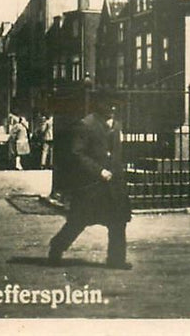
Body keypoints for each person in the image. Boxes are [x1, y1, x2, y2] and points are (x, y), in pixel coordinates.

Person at [48, 101, 131, 269]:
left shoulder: (116, 124)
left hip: (113, 184)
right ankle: (56, 247)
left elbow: (116, 152)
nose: (113, 109)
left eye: (115, 105)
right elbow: (77, 153)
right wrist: (99, 171)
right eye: (109, 104)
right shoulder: (86, 124)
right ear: (100, 105)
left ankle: (116, 260)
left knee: (118, 221)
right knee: (78, 220)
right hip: (92, 185)